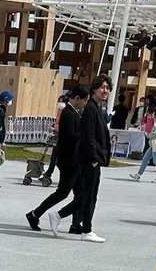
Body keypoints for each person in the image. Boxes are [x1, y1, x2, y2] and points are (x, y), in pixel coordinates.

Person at [52, 75, 110, 241]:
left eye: (107, 88)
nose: (105, 91)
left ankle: (84, 228)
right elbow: (88, 136)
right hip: (90, 160)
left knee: (89, 196)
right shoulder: (91, 108)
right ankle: (70, 221)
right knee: (88, 196)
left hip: (93, 159)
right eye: (102, 87)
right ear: (94, 89)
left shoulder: (96, 107)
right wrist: (94, 158)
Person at [27, 84, 86, 230]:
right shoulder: (68, 113)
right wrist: (85, 134)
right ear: (77, 98)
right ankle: (35, 214)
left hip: (74, 160)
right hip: (68, 161)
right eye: (84, 100)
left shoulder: (74, 112)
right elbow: (70, 136)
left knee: (81, 194)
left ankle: (76, 224)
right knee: (62, 193)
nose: (85, 103)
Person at [128, 106, 156, 182]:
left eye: (154, 112)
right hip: (154, 145)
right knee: (145, 159)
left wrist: (149, 135)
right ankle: (138, 175)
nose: (152, 114)